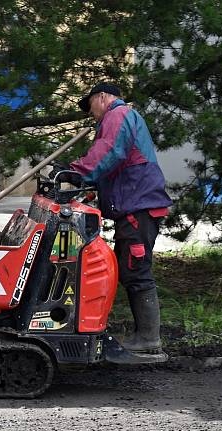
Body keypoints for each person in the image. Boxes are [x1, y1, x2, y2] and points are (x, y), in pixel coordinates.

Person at [68, 82, 173, 357]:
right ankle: (145, 335)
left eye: (90, 105)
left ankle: (149, 338)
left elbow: (110, 152)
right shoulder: (121, 118)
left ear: (102, 97)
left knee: (136, 271)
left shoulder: (118, 115)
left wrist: (75, 173)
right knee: (128, 270)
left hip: (139, 207)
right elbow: (115, 165)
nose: (90, 113)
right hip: (137, 206)